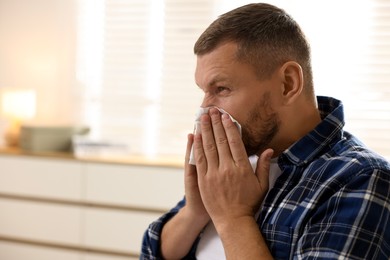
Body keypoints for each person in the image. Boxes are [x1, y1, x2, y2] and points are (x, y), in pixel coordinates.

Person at [141, 3, 390, 259]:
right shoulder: (239, 157)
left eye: (222, 89)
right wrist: (195, 211)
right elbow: (150, 253)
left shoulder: (362, 178)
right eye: (204, 91)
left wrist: (232, 217)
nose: (204, 109)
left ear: (287, 84)